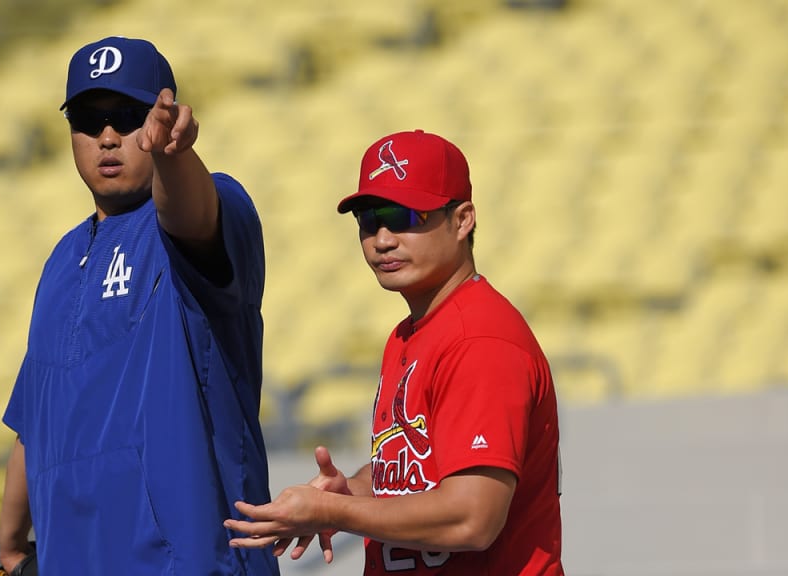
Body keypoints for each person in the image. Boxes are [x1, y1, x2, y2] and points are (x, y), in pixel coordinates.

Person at [0, 36, 279, 575]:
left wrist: (176, 158)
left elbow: (192, 217)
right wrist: (10, 547)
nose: (107, 135)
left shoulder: (207, 206)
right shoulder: (60, 261)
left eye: (128, 116)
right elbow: (33, 422)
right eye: (87, 117)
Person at [225, 130, 563, 575]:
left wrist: (332, 514)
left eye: (405, 216)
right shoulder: (413, 332)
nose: (382, 239)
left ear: (462, 221)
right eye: (369, 220)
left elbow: (472, 517)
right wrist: (352, 492)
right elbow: (422, 463)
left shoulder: (479, 339)